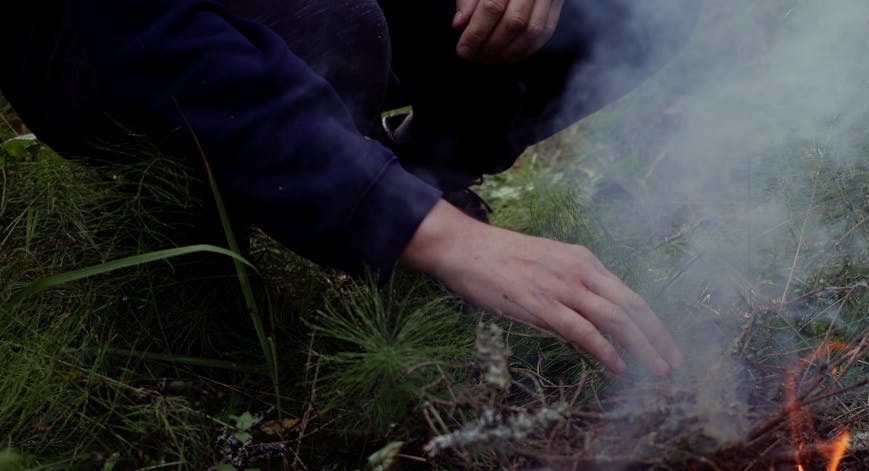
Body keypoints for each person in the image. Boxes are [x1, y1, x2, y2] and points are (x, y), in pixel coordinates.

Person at [1, 0, 696, 375]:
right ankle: (395, 225)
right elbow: (161, 40)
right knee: (334, 21)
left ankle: (423, 176)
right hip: (104, 44)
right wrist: (438, 240)